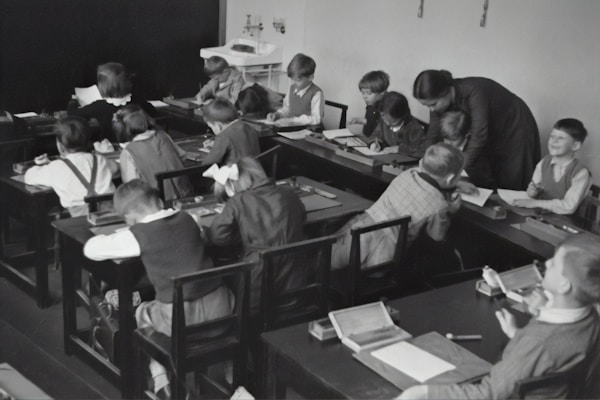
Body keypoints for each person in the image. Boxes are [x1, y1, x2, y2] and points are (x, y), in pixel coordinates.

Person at [399, 234, 600, 399]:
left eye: (555, 263)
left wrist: (423, 393)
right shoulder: (591, 318)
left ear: (565, 285)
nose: (547, 263)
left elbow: (488, 394)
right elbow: (556, 351)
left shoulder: (538, 342)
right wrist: (519, 333)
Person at [83, 180, 233, 398]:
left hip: (181, 322)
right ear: (160, 201)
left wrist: (123, 233)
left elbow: (91, 249)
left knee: (142, 312)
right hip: (223, 311)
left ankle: (162, 380)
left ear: (130, 218)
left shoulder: (137, 235)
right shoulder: (188, 218)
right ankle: (233, 376)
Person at [331, 143, 463, 270]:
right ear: (450, 179)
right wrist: (451, 211)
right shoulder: (439, 206)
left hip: (356, 230)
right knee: (448, 256)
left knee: (333, 259)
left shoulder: (408, 174)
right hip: (380, 256)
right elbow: (436, 241)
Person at [203, 157, 306, 311]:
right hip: (296, 280)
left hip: (258, 286)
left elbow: (218, 236)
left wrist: (242, 231)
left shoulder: (239, 201)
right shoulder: (289, 193)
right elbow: (302, 217)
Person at [413, 69, 541, 190]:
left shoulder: (475, 91)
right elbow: (432, 134)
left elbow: (479, 135)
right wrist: (426, 161)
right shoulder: (438, 103)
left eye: (433, 104)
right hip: (493, 130)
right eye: (427, 106)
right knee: (491, 176)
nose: (431, 110)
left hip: (515, 126)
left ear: (444, 92)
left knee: (513, 178)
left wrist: (456, 171)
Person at [24, 116, 117, 217]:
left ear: (59, 145)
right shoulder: (100, 159)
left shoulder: (55, 167)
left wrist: (42, 165)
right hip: (111, 215)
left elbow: (28, 176)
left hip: (79, 221)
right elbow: (116, 169)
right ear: (87, 142)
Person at [113, 104, 193, 201]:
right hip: (184, 193)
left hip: (154, 201)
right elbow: (182, 156)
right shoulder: (163, 135)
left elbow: (131, 184)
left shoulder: (128, 152)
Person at [513, 118, 591, 215]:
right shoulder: (544, 162)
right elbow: (533, 190)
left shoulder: (580, 172)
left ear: (575, 146)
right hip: (541, 216)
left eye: (561, 138)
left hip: (568, 223)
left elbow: (568, 207)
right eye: (552, 136)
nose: (554, 141)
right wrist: (532, 192)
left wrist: (535, 203)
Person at [67, 62, 154, 142]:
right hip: (137, 147)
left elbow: (73, 114)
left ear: (102, 86)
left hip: (110, 150)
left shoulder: (99, 106)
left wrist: (73, 100)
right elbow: (153, 111)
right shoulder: (138, 101)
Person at [440, 110, 495, 189]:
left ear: (466, 134)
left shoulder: (476, 153)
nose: (448, 143)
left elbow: (484, 179)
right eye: (445, 139)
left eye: (453, 140)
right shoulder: (449, 143)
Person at [267, 53, 324, 127]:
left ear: (310, 77)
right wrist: (277, 114)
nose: (293, 83)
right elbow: (287, 109)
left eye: (297, 80)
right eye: (292, 80)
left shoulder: (316, 93)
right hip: (293, 128)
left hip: (310, 130)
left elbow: (316, 119)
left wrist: (293, 120)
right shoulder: (292, 88)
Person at [201, 98, 261, 166]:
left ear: (218, 126)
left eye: (211, 126)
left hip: (235, 175)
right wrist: (216, 145)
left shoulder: (223, 136)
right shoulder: (248, 127)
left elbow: (207, 164)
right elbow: (238, 144)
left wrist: (217, 146)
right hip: (255, 172)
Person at [368, 91, 427, 158]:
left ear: (403, 116)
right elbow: (377, 134)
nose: (387, 123)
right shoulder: (385, 121)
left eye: (393, 122)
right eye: (384, 119)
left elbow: (421, 150)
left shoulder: (413, 127)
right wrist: (376, 143)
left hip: (406, 164)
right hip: (387, 159)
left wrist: (398, 149)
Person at [349, 70, 390, 137]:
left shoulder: (388, 107)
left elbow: (381, 131)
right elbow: (372, 124)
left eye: (368, 93)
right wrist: (361, 120)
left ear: (382, 92)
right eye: (363, 93)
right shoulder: (372, 102)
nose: (364, 97)